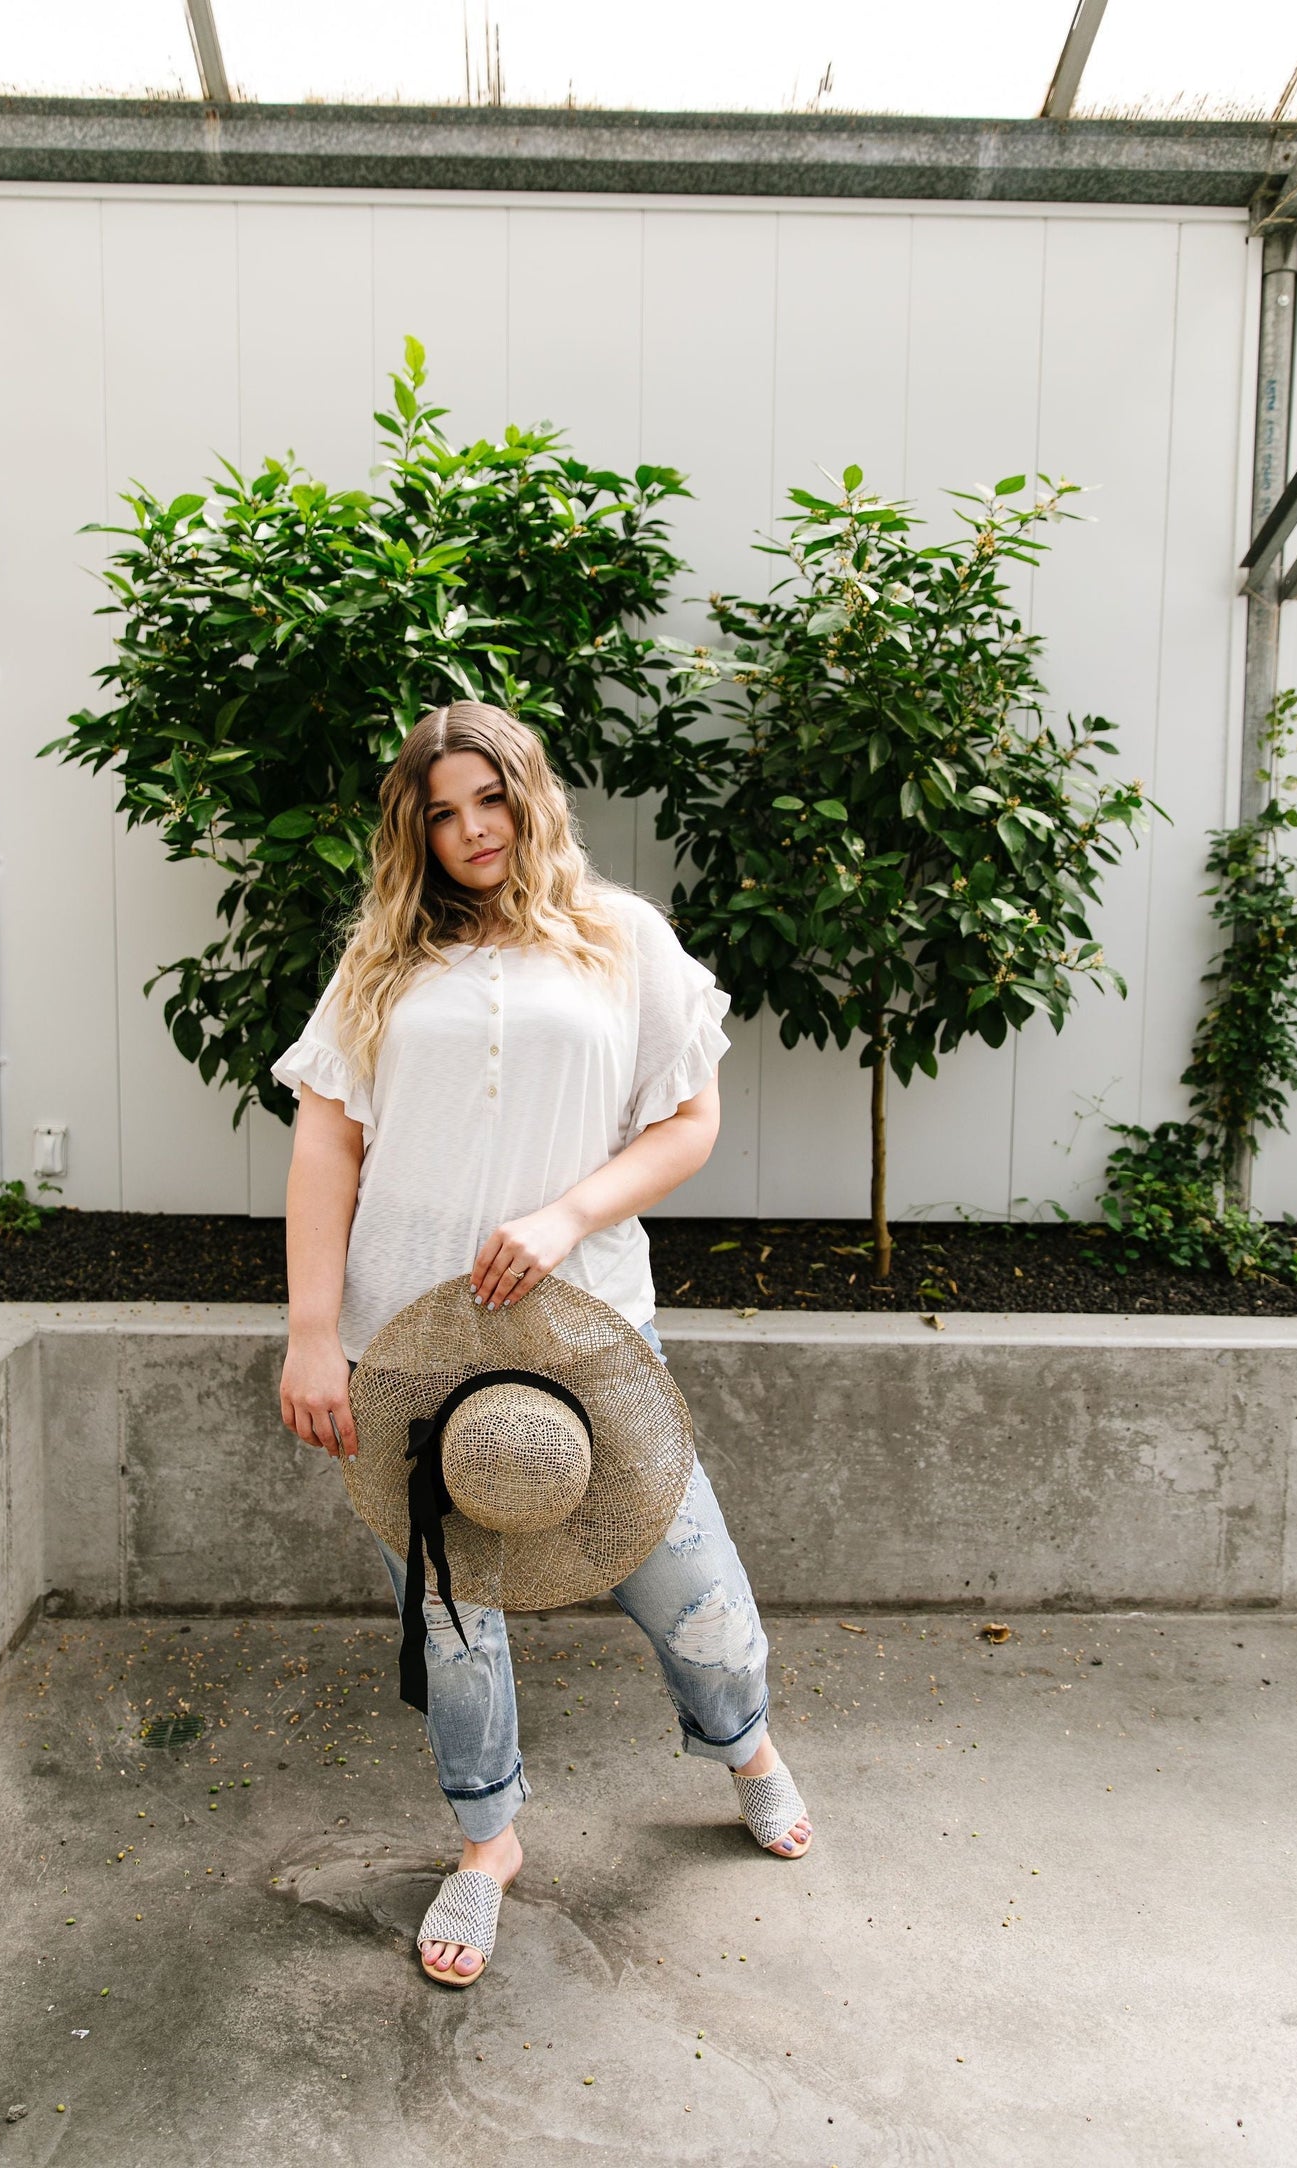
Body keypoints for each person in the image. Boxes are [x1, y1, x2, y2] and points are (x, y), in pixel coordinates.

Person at [272, 699, 811, 1987]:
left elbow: (688, 1120)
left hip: (591, 1335)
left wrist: (568, 1212)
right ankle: (488, 1841)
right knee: (454, 1620)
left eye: (490, 801)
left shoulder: (623, 938)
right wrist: (307, 1333)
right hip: (409, 1346)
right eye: (442, 813)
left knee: (692, 1583)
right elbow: (326, 1145)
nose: (471, 832)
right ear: (415, 830)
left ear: (532, 796)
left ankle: (745, 1744)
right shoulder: (383, 962)